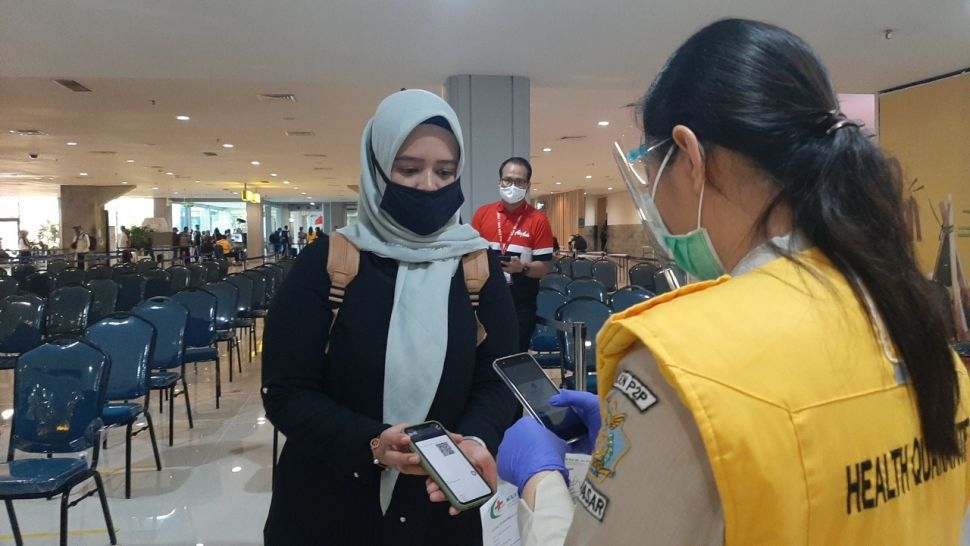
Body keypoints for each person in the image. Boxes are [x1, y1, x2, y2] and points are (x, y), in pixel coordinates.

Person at [481, 19, 970, 545]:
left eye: (652, 168)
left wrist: (541, 483)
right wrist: (646, 442)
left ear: (689, 157)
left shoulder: (683, 359)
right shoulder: (910, 323)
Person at [262, 89, 520, 545]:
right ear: (378, 168)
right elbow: (285, 391)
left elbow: (499, 381)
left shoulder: (476, 266)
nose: (428, 185)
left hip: (439, 508)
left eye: (444, 172)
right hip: (328, 507)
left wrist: (476, 441)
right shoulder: (328, 263)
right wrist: (373, 443)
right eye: (408, 168)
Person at [471, 157, 555, 353]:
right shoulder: (483, 214)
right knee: (484, 357)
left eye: (519, 182)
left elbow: (544, 267)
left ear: (527, 185)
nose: (512, 186)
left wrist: (523, 268)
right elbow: (471, 256)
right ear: (499, 181)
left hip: (520, 304)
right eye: (507, 180)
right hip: (486, 300)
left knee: (515, 356)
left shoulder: (538, 220)